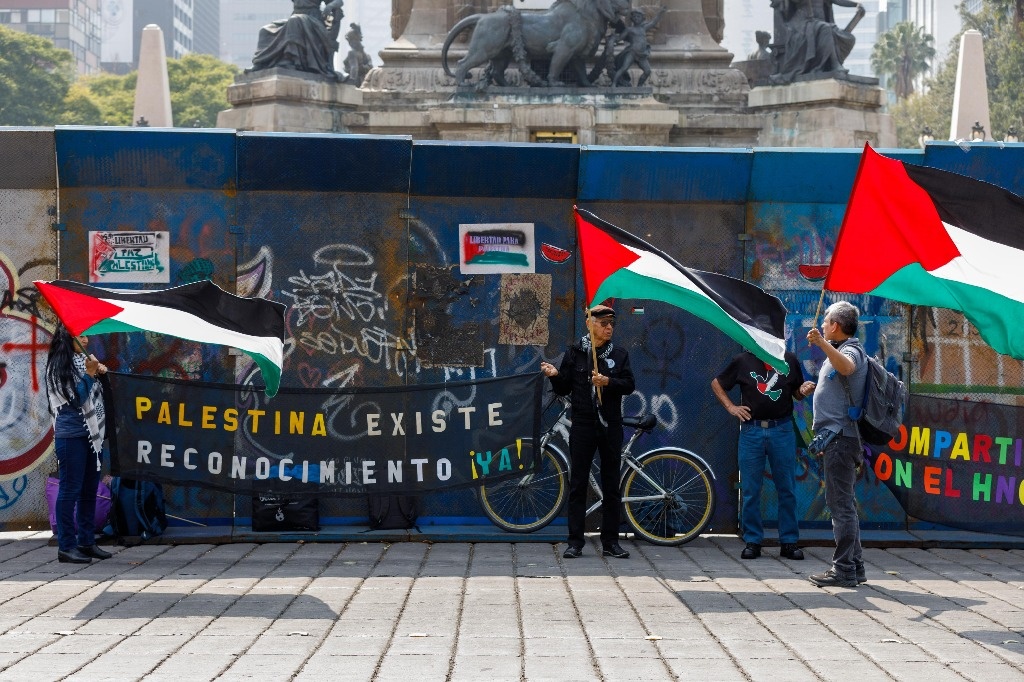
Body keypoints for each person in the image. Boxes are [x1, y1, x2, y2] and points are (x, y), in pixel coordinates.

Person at [540, 305, 635, 559]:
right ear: (589, 323)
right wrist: (554, 375)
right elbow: (563, 389)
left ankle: (611, 542)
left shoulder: (620, 354)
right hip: (583, 423)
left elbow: (629, 384)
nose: (608, 327)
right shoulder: (576, 353)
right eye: (603, 322)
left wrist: (608, 382)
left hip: (610, 424)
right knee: (578, 482)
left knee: (611, 483)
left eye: (611, 323)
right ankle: (575, 542)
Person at [711, 350, 815, 560]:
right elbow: (717, 383)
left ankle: (788, 542)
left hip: (782, 429)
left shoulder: (789, 359)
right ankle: (752, 541)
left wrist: (803, 391)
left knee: (787, 488)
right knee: (750, 489)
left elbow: (796, 392)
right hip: (752, 430)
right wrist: (731, 407)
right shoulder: (743, 359)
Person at [805, 301, 868, 587]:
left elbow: (848, 367)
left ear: (836, 326)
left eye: (826, 320)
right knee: (845, 505)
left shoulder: (850, 350)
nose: (822, 325)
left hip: (841, 440)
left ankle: (843, 570)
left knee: (840, 506)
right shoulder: (840, 349)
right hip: (838, 439)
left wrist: (821, 344)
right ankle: (855, 567)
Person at [45, 324, 112, 564]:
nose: (86, 340)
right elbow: (75, 399)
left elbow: (96, 395)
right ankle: (66, 546)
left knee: (88, 491)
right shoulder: (57, 366)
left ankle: (86, 541)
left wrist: (98, 373)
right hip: (71, 436)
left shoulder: (84, 362)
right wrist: (90, 374)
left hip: (92, 437)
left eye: (86, 335)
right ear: (67, 338)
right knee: (70, 490)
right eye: (80, 336)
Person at [250, 0, 345, 78]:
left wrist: (329, 6)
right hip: (296, 17)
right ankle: (260, 63)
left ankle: (291, 60)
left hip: (313, 20)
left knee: (294, 21)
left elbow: (339, 1)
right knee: (265, 30)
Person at [610, 6, 667, 87]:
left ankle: (639, 86)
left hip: (642, 54)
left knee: (647, 71)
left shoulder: (644, 28)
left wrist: (661, 13)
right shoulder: (629, 30)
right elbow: (620, 38)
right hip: (632, 52)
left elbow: (654, 22)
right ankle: (614, 84)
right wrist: (613, 38)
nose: (636, 18)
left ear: (642, 18)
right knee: (624, 68)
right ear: (632, 19)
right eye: (634, 16)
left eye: (638, 16)